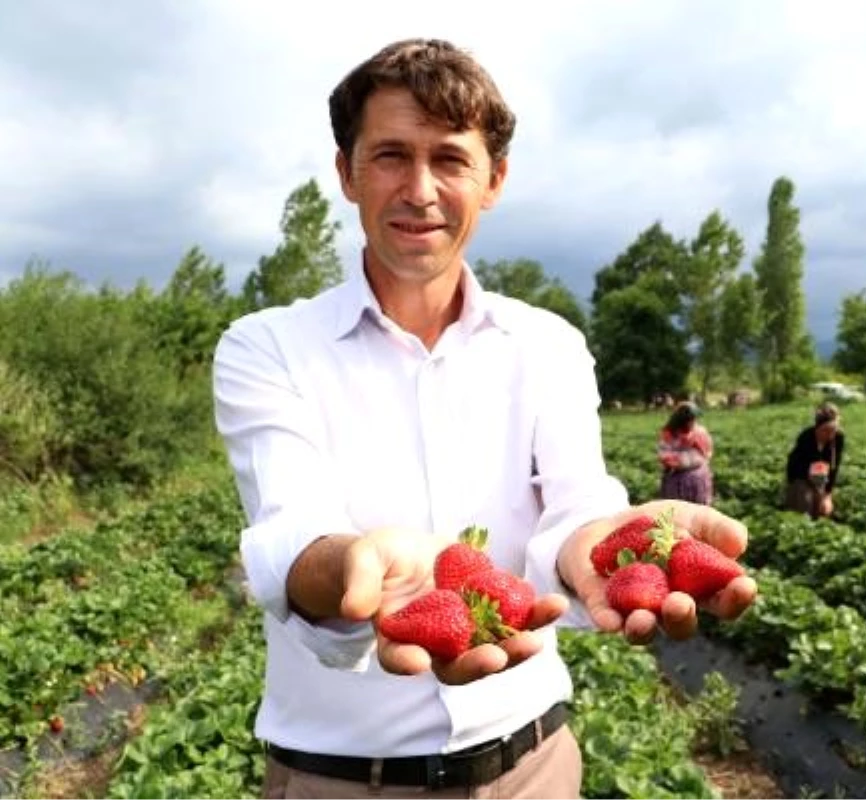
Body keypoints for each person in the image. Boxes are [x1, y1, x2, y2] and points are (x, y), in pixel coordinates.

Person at [211, 38, 757, 799]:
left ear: (494, 178)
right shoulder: (268, 347)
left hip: (534, 767)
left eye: (451, 159)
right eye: (391, 156)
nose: (421, 189)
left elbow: (577, 503)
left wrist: (601, 543)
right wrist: (353, 566)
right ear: (347, 172)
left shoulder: (548, 344)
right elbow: (289, 523)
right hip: (340, 782)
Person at [784, 402, 844, 519]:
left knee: (824, 509)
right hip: (800, 475)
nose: (830, 435)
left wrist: (827, 495)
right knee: (806, 502)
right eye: (826, 430)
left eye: (833, 430)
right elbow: (798, 468)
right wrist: (816, 490)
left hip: (820, 477)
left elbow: (834, 467)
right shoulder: (806, 438)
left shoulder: (838, 438)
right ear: (817, 427)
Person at [657, 401, 714, 505]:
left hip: (697, 478)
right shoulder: (669, 433)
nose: (693, 422)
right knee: (677, 509)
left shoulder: (700, 432)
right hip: (675, 479)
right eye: (690, 420)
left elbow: (706, 453)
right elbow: (664, 455)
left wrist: (681, 459)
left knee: (698, 509)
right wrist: (680, 460)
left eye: (694, 419)